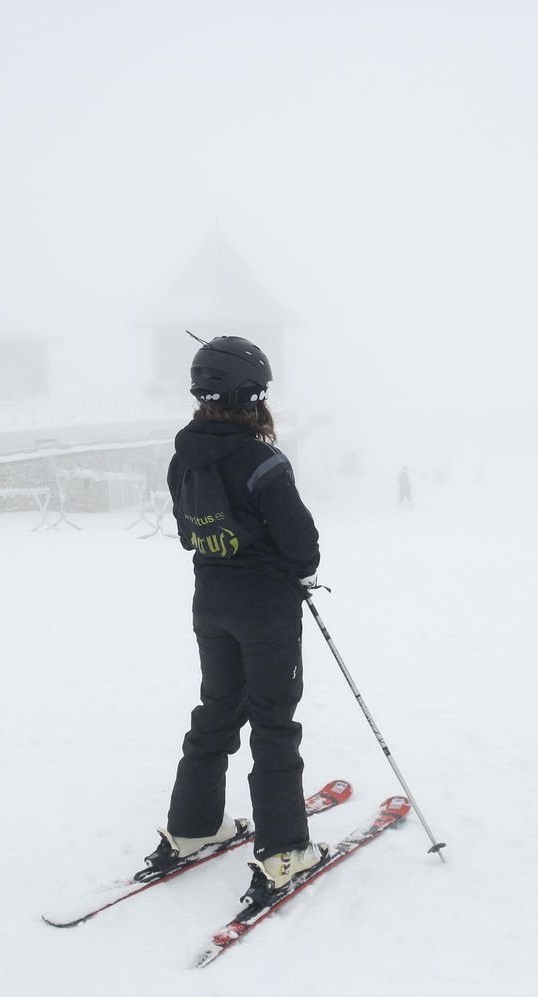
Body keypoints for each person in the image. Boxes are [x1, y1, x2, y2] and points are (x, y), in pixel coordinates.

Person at [148, 335, 325, 899]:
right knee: (273, 723)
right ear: (252, 394)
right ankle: (284, 851)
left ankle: (192, 827)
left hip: (212, 602)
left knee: (218, 710)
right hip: (266, 611)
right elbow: (302, 544)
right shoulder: (262, 459)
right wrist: (291, 567)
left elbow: (187, 532)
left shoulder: (183, 457)